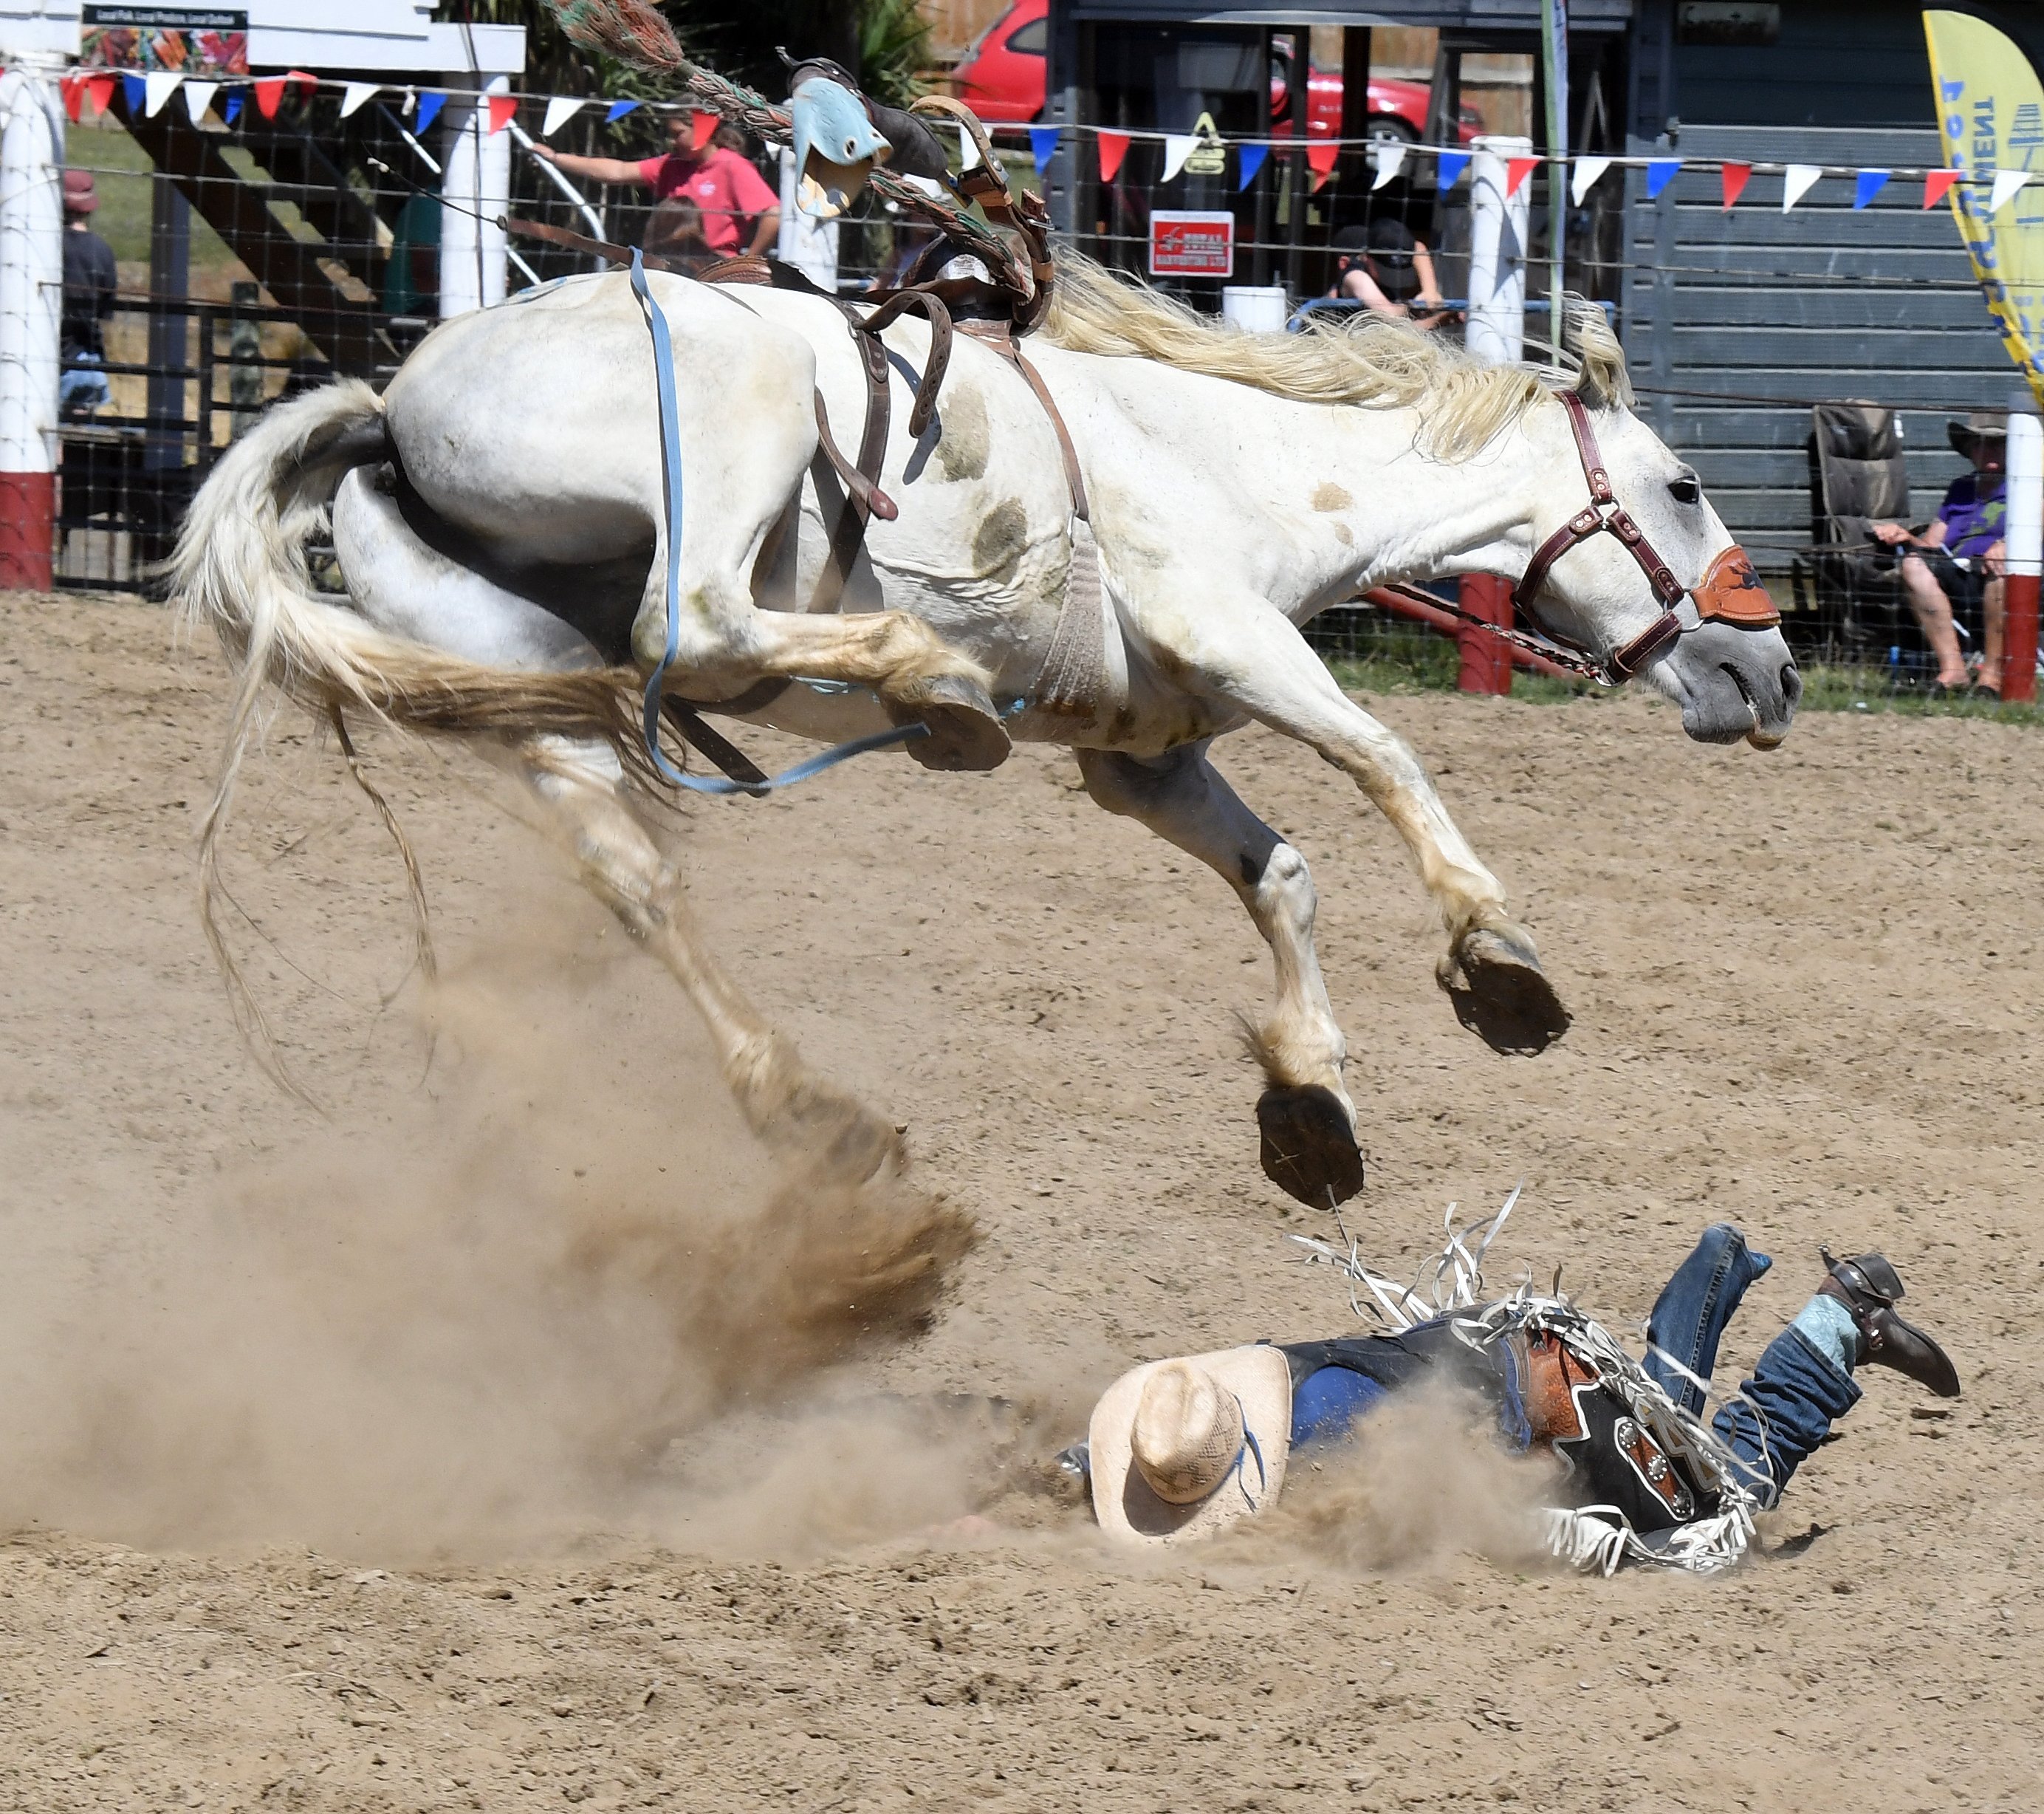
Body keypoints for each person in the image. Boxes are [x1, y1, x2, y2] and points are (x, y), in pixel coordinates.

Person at [1080, 1225, 1958, 1571]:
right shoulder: (1267, 1381)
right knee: (1671, 1444)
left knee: (1719, 1515)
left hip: (1564, 1415)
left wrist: (1603, 1548)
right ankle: (1719, 1285)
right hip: (1511, 1350)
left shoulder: (1323, 1458)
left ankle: (1841, 1320)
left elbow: (1471, 1515)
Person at [1870, 411, 2008, 697]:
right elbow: (1934, 546)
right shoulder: (1961, 489)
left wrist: (2010, 545)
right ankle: (1954, 670)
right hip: (1958, 573)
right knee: (1913, 564)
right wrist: (1907, 538)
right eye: (1981, 444)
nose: (1989, 450)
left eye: (1997, 443)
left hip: (2005, 576)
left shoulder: (2031, 487)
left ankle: (1992, 677)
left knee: (2003, 568)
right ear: (1971, 451)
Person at [533, 117, 781, 260]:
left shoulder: (732, 166)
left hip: (713, 267)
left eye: (678, 134)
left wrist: (749, 261)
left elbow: (773, 212)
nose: (671, 142)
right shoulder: (670, 165)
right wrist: (556, 158)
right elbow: (618, 171)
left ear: (703, 127)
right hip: (668, 265)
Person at [59, 169, 117, 420]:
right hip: (89, 362)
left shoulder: (48, 244)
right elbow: (107, 310)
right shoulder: (102, 251)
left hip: (52, 360)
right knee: (81, 440)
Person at [1328, 218, 1451, 329]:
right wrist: (1423, 312)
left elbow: (1418, 247)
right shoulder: (1355, 276)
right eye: (1387, 272)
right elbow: (1392, 318)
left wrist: (1430, 291)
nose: (1394, 279)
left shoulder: (1376, 255)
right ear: (1367, 258)